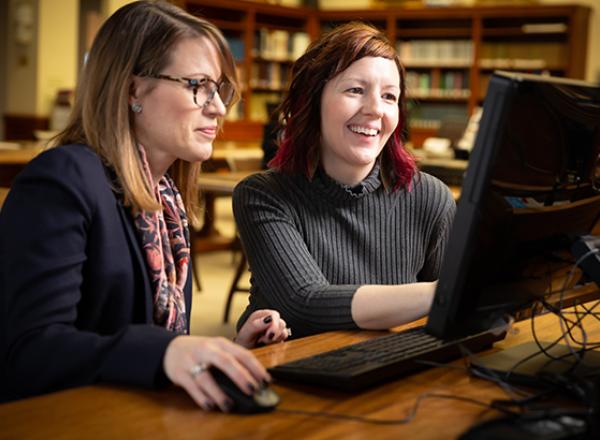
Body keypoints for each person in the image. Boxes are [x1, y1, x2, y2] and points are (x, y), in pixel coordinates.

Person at [0, 1, 289, 411]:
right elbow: (28, 351)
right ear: (133, 88)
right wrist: (166, 353)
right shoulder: (62, 180)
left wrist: (213, 354)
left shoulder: (166, 202)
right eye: (197, 85)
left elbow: (136, 344)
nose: (219, 108)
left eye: (221, 89)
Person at [233, 22, 456, 339]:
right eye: (355, 90)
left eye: (390, 96)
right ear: (312, 101)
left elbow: (454, 323)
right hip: (297, 378)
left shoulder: (431, 198)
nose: (376, 109)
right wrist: (446, 291)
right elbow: (305, 301)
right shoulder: (263, 195)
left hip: (391, 376)